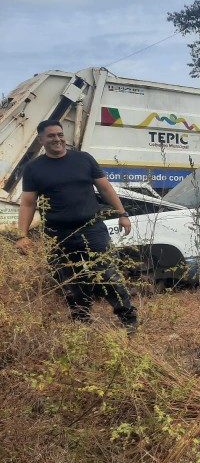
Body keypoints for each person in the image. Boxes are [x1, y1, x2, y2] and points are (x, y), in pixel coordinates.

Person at [16, 120, 138, 333]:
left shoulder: (83, 159)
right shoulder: (33, 169)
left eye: (60, 134)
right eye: (51, 136)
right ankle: (82, 322)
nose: (57, 139)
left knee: (107, 274)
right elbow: (28, 203)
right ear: (41, 140)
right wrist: (22, 235)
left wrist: (122, 213)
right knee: (71, 280)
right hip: (58, 234)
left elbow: (106, 189)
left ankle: (129, 319)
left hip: (92, 229)